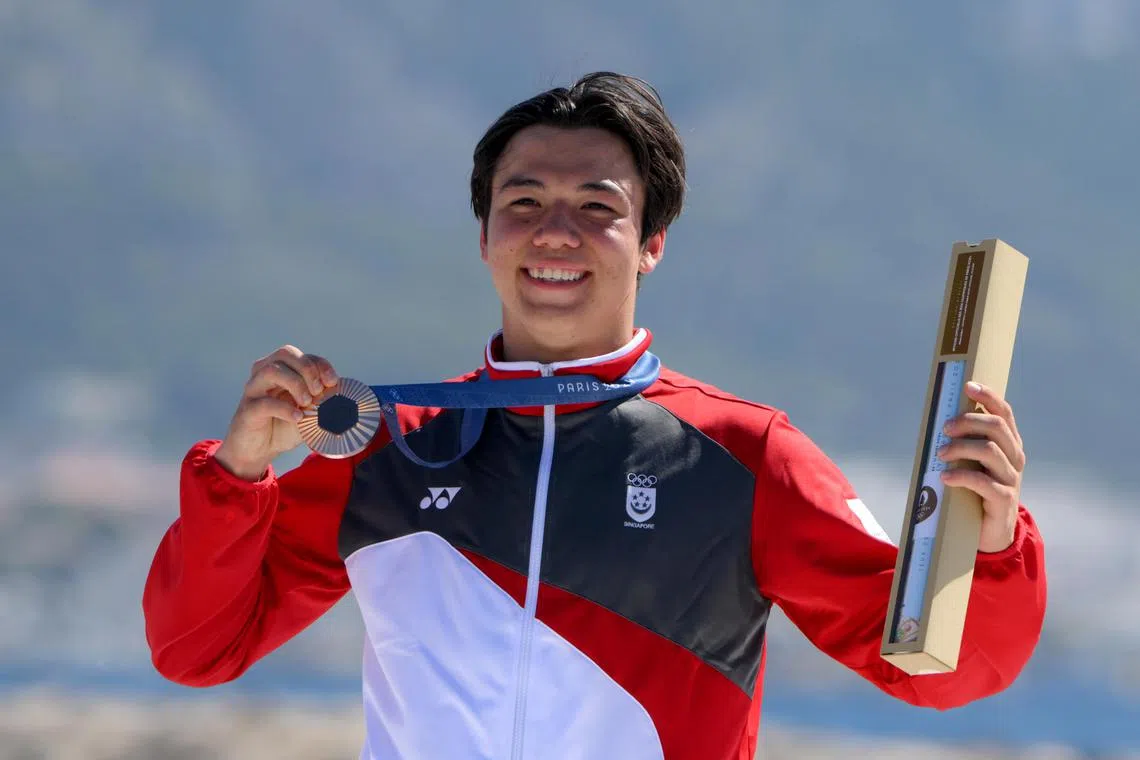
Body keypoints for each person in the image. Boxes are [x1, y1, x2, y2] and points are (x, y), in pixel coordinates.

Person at [142, 72, 1047, 760]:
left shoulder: (744, 456)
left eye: (596, 208)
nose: (555, 232)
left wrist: (996, 536)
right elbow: (197, 649)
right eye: (524, 202)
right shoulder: (388, 445)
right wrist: (238, 476)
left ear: (652, 244)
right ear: (485, 235)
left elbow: (947, 671)